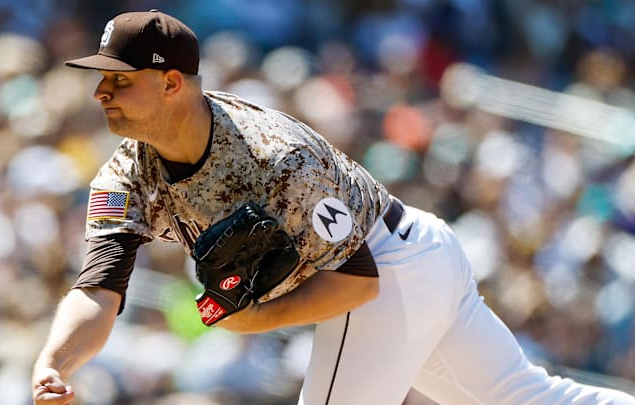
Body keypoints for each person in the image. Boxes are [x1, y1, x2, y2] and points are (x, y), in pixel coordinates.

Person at [32, 9, 635, 405]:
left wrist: (253, 319)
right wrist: (55, 364)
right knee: (526, 399)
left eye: (121, 79)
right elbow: (98, 288)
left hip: (386, 269)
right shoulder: (126, 171)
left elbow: (356, 282)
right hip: (409, 254)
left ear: (172, 84)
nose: (101, 92)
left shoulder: (275, 156)